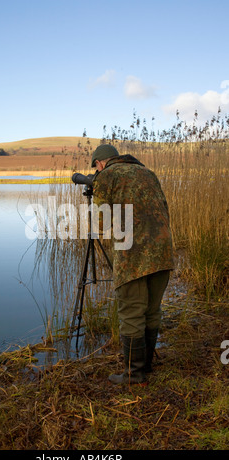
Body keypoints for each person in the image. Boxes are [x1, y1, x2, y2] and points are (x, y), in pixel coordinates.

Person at [91, 144, 174, 386]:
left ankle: (133, 374)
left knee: (131, 313)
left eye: (96, 166)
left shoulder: (107, 176)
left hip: (133, 255)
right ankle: (146, 365)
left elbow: (103, 223)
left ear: (100, 163)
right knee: (151, 310)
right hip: (163, 251)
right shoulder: (148, 173)